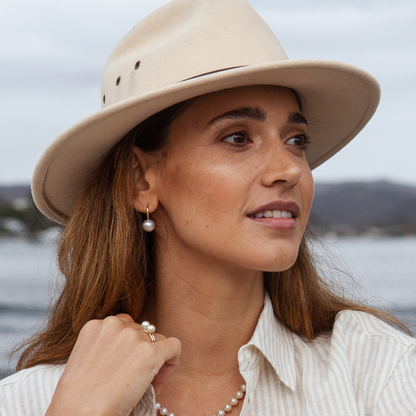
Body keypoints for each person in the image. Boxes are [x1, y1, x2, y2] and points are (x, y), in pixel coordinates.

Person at [1, 0, 415, 415]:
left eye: (296, 141)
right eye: (237, 138)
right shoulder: (30, 401)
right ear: (141, 180)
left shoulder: (380, 371)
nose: (289, 168)